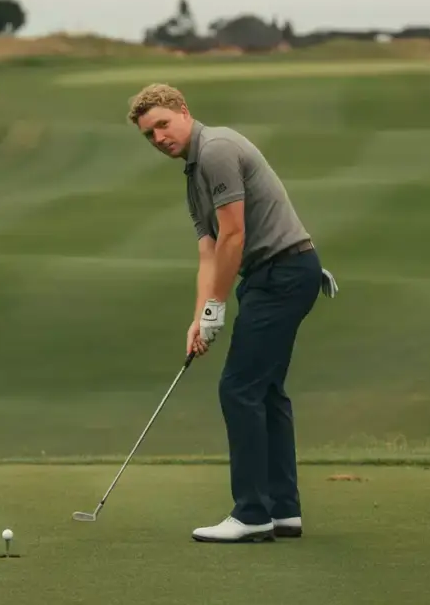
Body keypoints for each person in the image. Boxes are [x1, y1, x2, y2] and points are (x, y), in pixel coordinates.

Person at [126, 83, 337, 543]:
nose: (159, 137)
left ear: (183, 111)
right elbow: (208, 251)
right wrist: (201, 316)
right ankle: (283, 511)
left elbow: (234, 236)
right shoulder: (193, 174)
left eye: (163, 124)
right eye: (149, 135)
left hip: (283, 272)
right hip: (275, 276)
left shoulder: (217, 148)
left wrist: (217, 305)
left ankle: (252, 513)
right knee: (264, 391)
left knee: (239, 388)